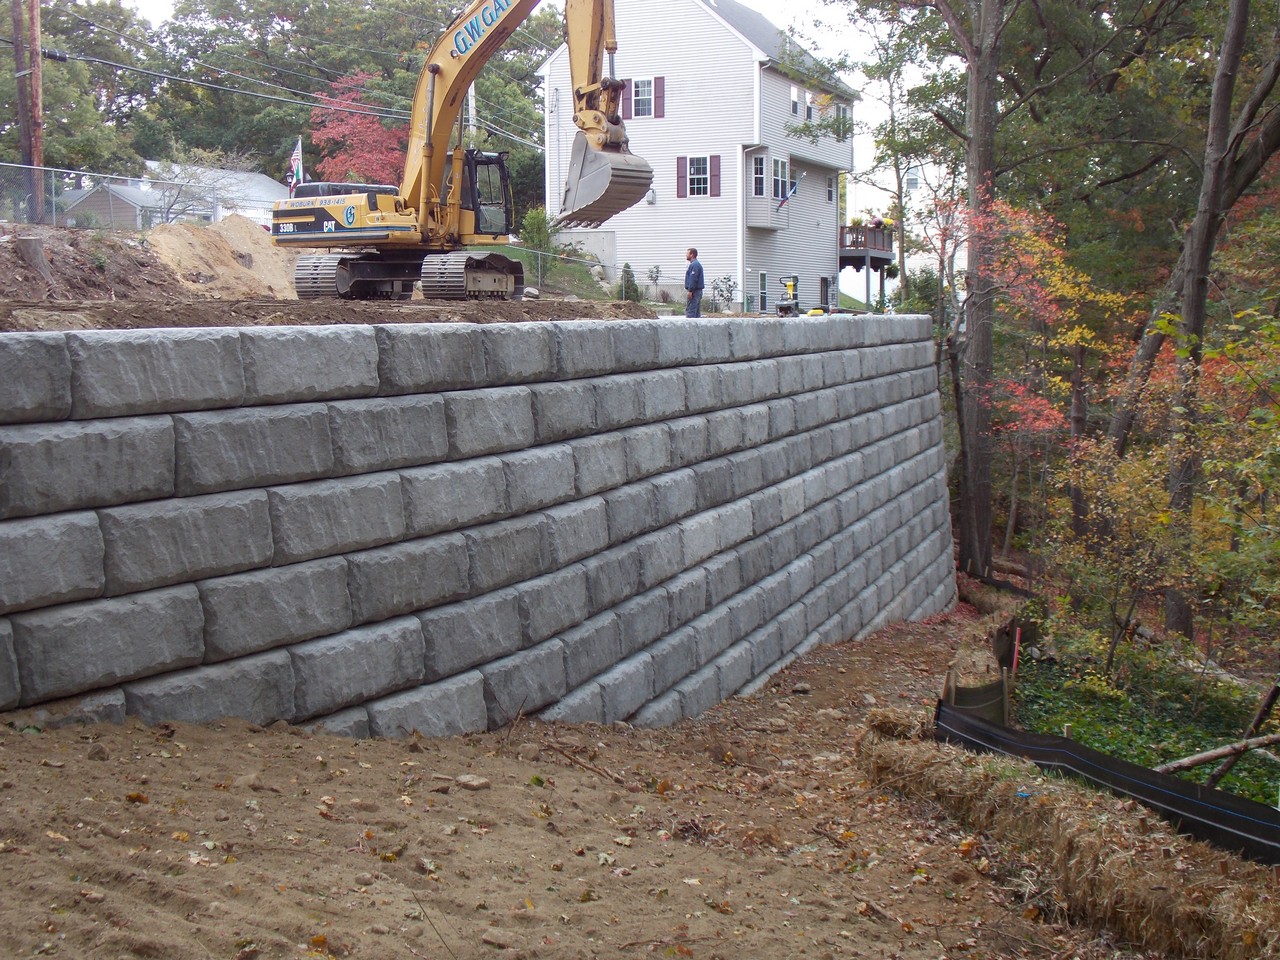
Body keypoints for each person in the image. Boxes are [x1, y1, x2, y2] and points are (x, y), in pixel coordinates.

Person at [684, 247, 704, 318]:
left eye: (687, 253)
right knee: (696, 313)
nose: (686, 255)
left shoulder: (694, 265)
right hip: (697, 292)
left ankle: (690, 328)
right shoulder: (695, 264)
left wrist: (690, 290)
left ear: (692, 254)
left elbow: (693, 279)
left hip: (694, 292)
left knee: (691, 311)